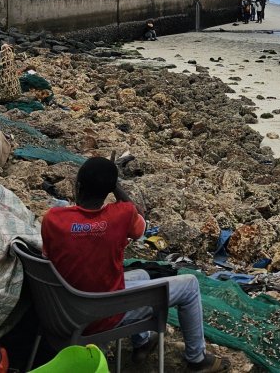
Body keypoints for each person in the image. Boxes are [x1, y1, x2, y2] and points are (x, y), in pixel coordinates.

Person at [41, 158, 230, 372]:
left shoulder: (53, 219)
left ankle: (142, 342)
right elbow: (141, 227)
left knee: (140, 274)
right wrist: (116, 187)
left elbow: (50, 256)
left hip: (65, 308)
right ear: (109, 190)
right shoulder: (121, 215)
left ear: (78, 185)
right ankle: (196, 358)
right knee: (190, 285)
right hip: (102, 316)